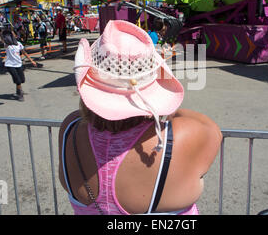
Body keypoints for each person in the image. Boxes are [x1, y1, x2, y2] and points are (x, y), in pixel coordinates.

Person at [58, 20, 222, 215]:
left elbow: (86, 116)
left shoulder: (70, 128)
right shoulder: (186, 136)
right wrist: (157, 107)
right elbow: (209, 128)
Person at [1, 30, 37, 101]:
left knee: (22, 80)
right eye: (11, 34)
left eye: (13, 34)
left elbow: (24, 52)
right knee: (18, 80)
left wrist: (31, 60)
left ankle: (18, 90)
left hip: (18, 64)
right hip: (10, 65)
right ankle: (20, 94)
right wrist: (2, 32)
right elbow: (2, 39)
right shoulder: (7, 44)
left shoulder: (19, 44)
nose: (12, 35)